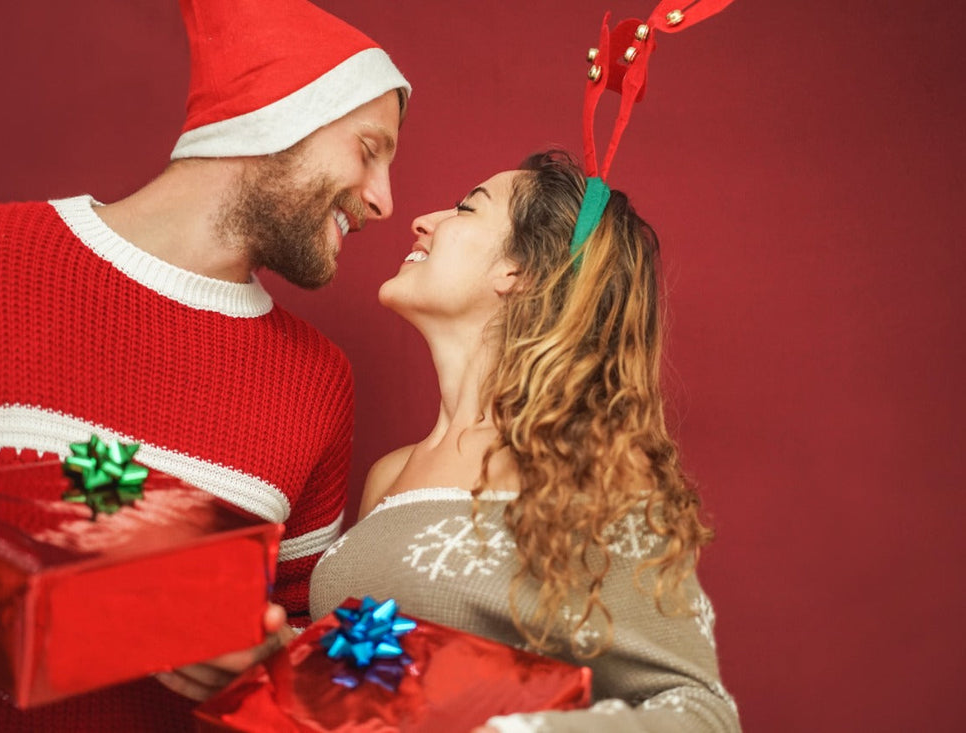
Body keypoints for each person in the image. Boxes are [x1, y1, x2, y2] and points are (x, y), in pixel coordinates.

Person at [0, 0, 409, 730]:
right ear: (275, 117)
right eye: (368, 149)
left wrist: (262, 662)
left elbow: (298, 648)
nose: (383, 199)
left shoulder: (320, 384)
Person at [310, 150, 741, 731]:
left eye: (466, 208)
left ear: (519, 272)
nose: (423, 221)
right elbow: (370, 688)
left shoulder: (592, 467)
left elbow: (700, 713)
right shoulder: (388, 477)